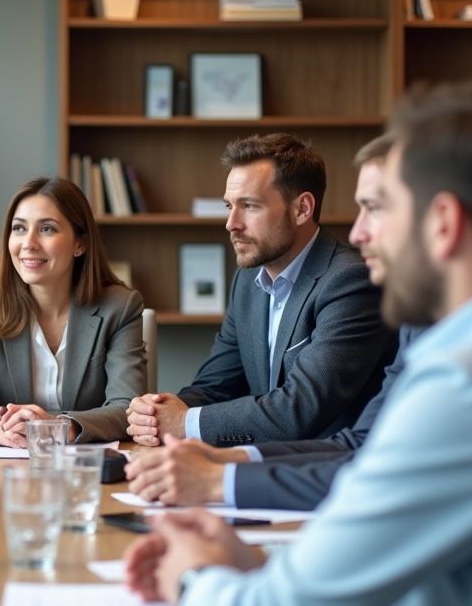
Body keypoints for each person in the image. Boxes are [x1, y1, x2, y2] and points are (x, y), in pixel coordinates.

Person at [124, 76, 472, 606]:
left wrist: (191, 575)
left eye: (379, 207)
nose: (363, 234)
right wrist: (252, 560)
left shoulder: (469, 389)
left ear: (443, 223)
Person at [127, 134, 424, 510]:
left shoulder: (352, 281)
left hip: (320, 494)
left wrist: (186, 426)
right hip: (276, 482)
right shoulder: (248, 282)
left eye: (248, 206)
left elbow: (299, 409)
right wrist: (158, 412)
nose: (231, 224)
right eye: (228, 206)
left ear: (302, 209)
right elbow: (215, 385)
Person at [0, 176, 145, 445]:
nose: (29, 243)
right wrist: (0, 431)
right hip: (9, 465)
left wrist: (58, 427)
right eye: (19, 228)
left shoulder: (119, 307)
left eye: (47, 229)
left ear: (80, 244)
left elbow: (127, 407)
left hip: (86, 469)